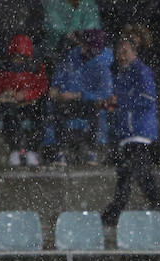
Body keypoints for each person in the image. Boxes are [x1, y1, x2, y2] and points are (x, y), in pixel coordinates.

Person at [99, 36, 160, 228]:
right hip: (128, 134)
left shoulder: (141, 72)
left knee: (135, 176)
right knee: (131, 176)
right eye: (119, 52)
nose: (121, 56)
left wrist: (119, 102)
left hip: (139, 133)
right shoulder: (122, 74)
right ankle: (155, 213)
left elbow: (146, 99)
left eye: (125, 52)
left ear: (134, 53)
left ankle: (115, 214)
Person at [0, 33, 50, 167]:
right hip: (6, 104)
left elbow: (42, 86)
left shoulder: (36, 67)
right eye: (17, 56)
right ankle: (15, 150)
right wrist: (2, 93)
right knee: (10, 114)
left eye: (23, 57)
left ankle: (32, 151)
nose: (20, 60)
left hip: (28, 104)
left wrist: (26, 95)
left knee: (41, 113)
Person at [48, 28, 112, 165]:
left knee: (94, 110)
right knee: (58, 110)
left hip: (88, 102)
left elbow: (104, 94)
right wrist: (56, 88)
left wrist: (79, 95)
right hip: (67, 101)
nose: (84, 49)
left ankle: (92, 150)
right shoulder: (71, 57)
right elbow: (60, 75)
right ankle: (61, 151)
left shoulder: (102, 65)